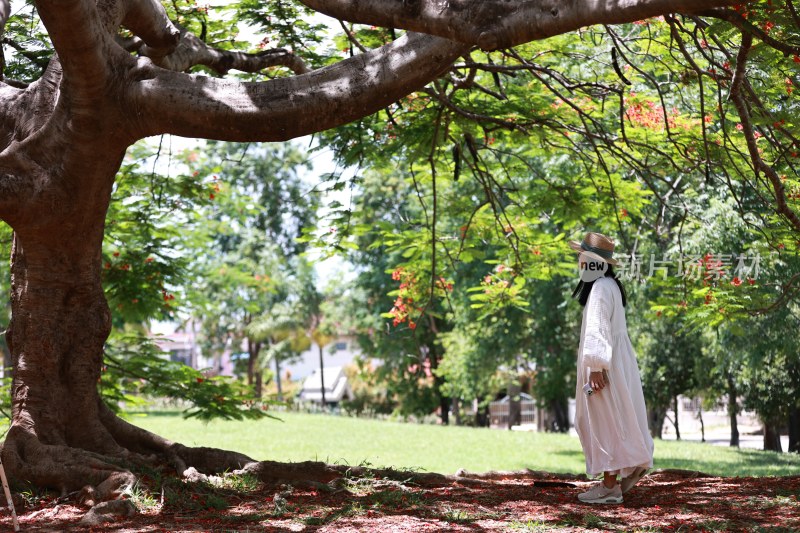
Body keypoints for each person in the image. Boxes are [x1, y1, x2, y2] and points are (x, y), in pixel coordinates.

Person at [569, 232, 654, 504]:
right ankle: (625, 468)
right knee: (615, 418)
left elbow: (598, 329)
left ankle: (609, 487)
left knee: (604, 421)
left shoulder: (600, 288)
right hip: (614, 362)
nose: (579, 262)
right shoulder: (611, 286)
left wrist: (595, 367)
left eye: (582, 257)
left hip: (604, 366)